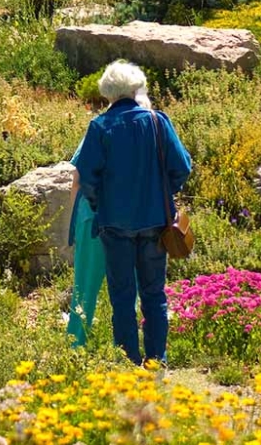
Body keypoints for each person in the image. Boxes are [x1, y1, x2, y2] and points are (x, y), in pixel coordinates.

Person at [72, 61, 192, 365]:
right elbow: (182, 167)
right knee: (154, 295)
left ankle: (129, 361)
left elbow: (86, 175)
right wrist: (164, 193)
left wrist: (100, 204)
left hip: (114, 225)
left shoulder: (100, 126)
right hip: (155, 222)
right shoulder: (157, 121)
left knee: (122, 298)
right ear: (136, 86)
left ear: (107, 90)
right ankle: (157, 359)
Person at [65, 69, 157, 348]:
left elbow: (78, 180)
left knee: (85, 288)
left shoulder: (100, 127)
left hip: (94, 218)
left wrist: (70, 225)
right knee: (141, 287)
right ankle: (146, 346)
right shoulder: (151, 125)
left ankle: (75, 347)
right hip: (137, 218)